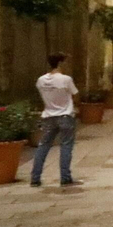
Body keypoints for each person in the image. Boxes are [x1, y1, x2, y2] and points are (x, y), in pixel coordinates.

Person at [30, 53, 79, 187]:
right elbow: (75, 95)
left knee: (43, 146)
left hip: (48, 116)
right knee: (66, 146)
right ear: (60, 63)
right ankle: (65, 177)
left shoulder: (41, 80)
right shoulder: (66, 79)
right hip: (65, 116)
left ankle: (35, 177)